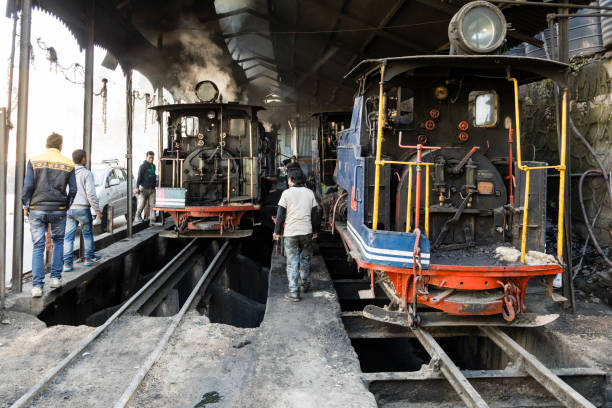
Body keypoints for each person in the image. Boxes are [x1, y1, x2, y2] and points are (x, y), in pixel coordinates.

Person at [22, 133, 77, 297]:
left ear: (46, 145)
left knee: (38, 246)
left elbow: (28, 187)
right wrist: (65, 205)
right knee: (58, 241)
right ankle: (55, 279)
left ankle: (37, 287)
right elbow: (73, 190)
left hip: (37, 208)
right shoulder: (68, 163)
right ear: (61, 146)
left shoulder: (34, 160)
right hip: (58, 208)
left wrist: (26, 204)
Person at [273, 171, 320, 301]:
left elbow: (280, 215)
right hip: (306, 232)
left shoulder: (286, 194)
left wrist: (277, 232)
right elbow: (315, 214)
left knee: (292, 262)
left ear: (291, 180)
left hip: (291, 233)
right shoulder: (310, 193)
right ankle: (305, 285)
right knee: (305, 258)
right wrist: (315, 231)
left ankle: (294, 292)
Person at [63, 149, 104, 272]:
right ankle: (89, 258)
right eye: (85, 157)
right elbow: (91, 194)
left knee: (68, 237)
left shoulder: (68, 173)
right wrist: (97, 210)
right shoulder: (87, 173)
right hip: (82, 208)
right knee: (87, 234)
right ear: (83, 159)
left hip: (70, 209)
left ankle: (67, 264)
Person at [135, 151, 156, 222]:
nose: (151, 159)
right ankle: (137, 216)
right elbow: (139, 177)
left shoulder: (154, 166)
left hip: (152, 189)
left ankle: (153, 219)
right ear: (146, 157)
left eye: (152, 158)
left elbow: (153, 176)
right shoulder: (143, 166)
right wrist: (137, 187)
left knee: (153, 204)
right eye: (150, 158)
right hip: (143, 188)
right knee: (142, 203)